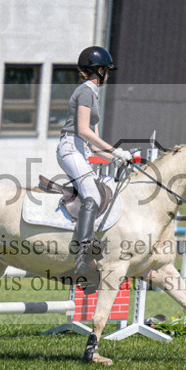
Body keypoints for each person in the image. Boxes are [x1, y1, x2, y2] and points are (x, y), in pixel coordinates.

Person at [56, 46, 132, 280]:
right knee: (93, 195)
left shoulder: (93, 95)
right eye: (107, 71)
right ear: (99, 70)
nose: (108, 75)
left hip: (81, 149)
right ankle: (83, 254)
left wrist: (119, 158)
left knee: (101, 188)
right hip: (70, 147)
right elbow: (82, 131)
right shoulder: (87, 91)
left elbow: (95, 145)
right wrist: (115, 150)